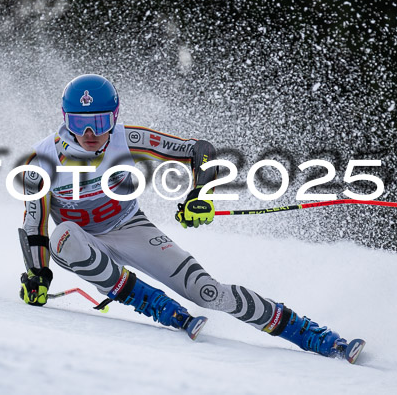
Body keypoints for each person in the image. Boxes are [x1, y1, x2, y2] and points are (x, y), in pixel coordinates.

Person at [18, 74, 363, 362]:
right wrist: (38, 274)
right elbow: (34, 226)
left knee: (208, 292)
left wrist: (199, 194)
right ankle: (150, 301)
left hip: (130, 228)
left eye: (100, 121)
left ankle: (309, 334)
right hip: (83, 242)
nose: (90, 134)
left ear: (115, 117)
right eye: (80, 123)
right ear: (65, 119)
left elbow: (200, 150)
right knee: (63, 234)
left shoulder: (128, 138)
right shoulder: (41, 161)